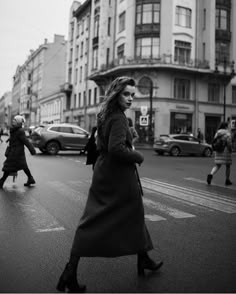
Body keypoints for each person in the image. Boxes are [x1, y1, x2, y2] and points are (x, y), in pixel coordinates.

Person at [56, 77, 163, 293]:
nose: (131, 98)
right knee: (105, 219)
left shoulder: (106, 114)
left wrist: (128, 135)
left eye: (133, 94)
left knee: (111, 217)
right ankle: (70, 272)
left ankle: (142, 258)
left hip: (105, 171)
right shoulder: (118, 118)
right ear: (116, 93)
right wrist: (137, 155)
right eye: (126, 94)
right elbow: (116, 149)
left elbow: (102, 143)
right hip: (118, 175)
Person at [0, 115, 36, 189]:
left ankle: (1, 182)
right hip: (15, 152)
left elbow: (26, 141)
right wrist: (9, 139)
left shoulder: (20, 131)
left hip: (16, 153)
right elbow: (14, 138)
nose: (13, 121)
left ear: (18, 122)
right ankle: (30, 179)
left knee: (8, 167)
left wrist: (32, 150)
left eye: (15, 120)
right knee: (23, 166)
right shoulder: (15, 130)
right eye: (13, 120)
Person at [207, 121, 233, 186]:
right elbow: (229, 144)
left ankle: (210, 174)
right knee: (228, 166)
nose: (229, 126)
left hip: (218, 150)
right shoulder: (228, 134)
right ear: (226, 126)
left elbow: (214, 141)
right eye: (228, 125)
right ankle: (227, 180)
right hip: (225, 151)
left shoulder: (217, 133)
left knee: (217, 165)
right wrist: (230, 150)